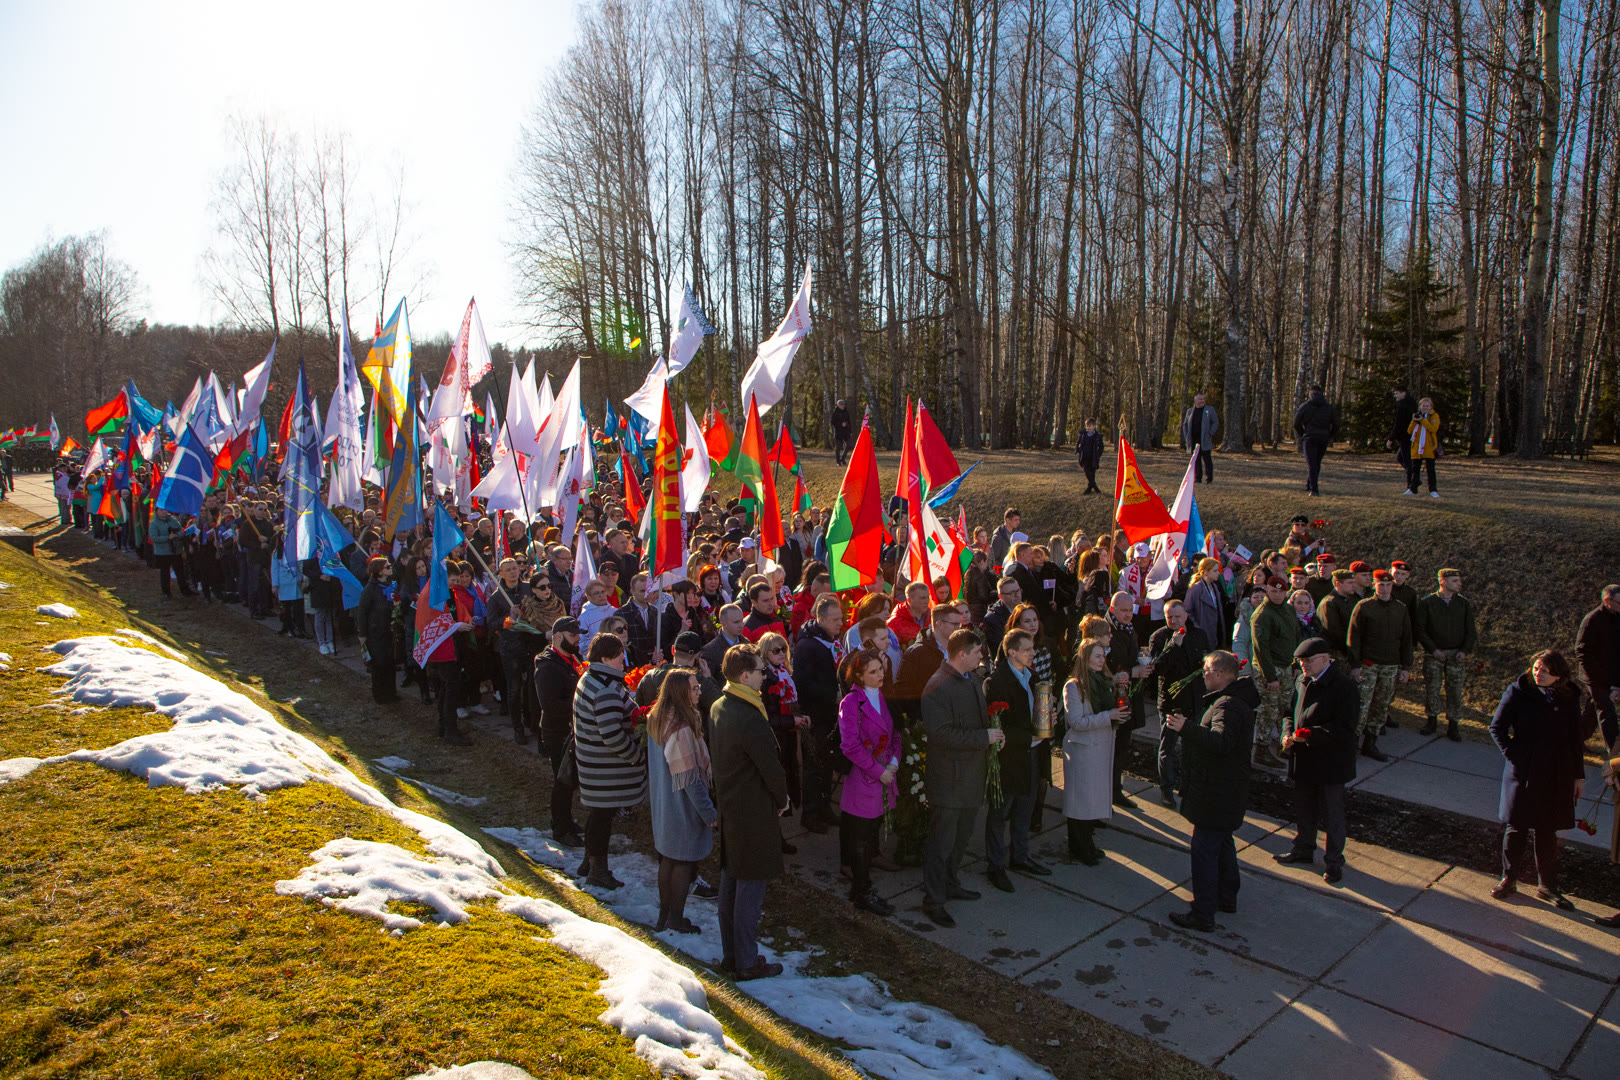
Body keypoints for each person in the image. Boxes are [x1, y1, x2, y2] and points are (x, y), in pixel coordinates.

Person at [1488, 649, 1597, 910]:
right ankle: (1509, 878)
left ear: (1558, 674)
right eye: (1536, 668)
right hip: (1523, 770)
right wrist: (1515, 756)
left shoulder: (1569, 696)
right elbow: (1497, 728)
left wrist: (1578, 776)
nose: (1539, 673)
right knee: (1517, 826)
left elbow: (1574, 739)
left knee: (1548, 830)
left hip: (1557, 772)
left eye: (1546, 670)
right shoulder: (1518, 692)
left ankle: (1546, 886)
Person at [711, 643, 790, 980]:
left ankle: (732, 955)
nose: (765, 675)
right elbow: (770, 767)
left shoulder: (720, 704)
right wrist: (782, 799)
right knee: (749, 890)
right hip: (753, 811)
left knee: (731, 882)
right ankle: (744, 961)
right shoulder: (749, 717)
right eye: (760, 670)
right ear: (745, 676)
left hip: (731, 805)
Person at [1163, 650, 1257, 931]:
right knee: (1224, 844)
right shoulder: (1236, 700)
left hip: (1215, 793)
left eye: (1206, 671)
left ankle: (1203, 913)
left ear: (1219, 674)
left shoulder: (1227, 706)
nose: (1203, 675)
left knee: (1204, 851)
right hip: (1226, 791)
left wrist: (1186, 728)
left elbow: (1221, 742)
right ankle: (1227, 898)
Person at [918, 628, 1002, 928]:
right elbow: (940, 734)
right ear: (962, 654)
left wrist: (992, 734)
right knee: (942, 843)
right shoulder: (937, 687)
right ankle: (933, 900)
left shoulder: (971, 679)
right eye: (978, 652)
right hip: (950, 780)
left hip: (970, 776)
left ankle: (950, 883)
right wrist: (984, 737)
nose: (982, 656)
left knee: (961, 838)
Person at [1275, 638, 1361, 883]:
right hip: (1304, 760)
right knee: (1304, 808)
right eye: (1301, 661)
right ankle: (1303, 849)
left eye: (1308, 661)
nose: (1303, 665)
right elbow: (1289, 714)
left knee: (1332, 815)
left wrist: (1311, 735)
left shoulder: (1344, 686)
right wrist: (1286, 734)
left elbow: (1346, 727)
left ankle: (1334, 862)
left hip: (1331, 763)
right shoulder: (1301, 681)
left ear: (1325, 659)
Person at [572, 633, 646, 890]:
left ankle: (589, 863)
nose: (623, 660)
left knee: (599, 815)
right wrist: (637, 756)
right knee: (601, 817)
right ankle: (597, 871)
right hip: (603, 768)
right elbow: (613, 735)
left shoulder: (593, 678)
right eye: (618, 655)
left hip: (594, 764)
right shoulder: (604, 689)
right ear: (604, 658)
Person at [646, 667, 718, 934]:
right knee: (683, 862)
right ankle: (676, 918)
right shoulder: (681, 728)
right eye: (694, 688)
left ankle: (664, 915)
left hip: (664, 802)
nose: (699, 692)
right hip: (681, 807)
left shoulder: (657, 716)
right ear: (680, 693)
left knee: (668, 859)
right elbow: (690, 779)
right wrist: (709, 813)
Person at [982, 629, 1049, 892]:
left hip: (1033, 753)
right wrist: (1029, 734)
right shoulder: (996, 682)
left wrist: (1046, 719)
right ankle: (995, 866)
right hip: (1010, 757)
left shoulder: (1033, 676)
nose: (1033, 654)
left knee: (1025, 807)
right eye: (1027, 650)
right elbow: (997, 724)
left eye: (1032, 649)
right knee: (1000, 812)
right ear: (1011, 652)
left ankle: (1020, 856)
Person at [837, 648, 899, 916]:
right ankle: (861, 890)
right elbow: (849, 746)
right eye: (873, 672)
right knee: (861, 838)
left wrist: (895, 762)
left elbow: (893, 732)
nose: (880, 675)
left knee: (871, 832)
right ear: (859, 675)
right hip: (865, 780)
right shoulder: (852, 702)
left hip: (883, 775)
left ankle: (862, 886)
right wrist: (879, 770)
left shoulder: (880, 696)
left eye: (881, 669)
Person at [1062, 639, 1126, 866]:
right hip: (1083, 750)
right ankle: (1078, 847)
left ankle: (1087, 843)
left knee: (1091, 801)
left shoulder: (1103, 681)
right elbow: (1076, 721)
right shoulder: (1074, 686)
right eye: (1097, 656)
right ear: (1085, 657)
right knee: (1080, 801)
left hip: (1099, 748)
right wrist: (1108, 716)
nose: (1102, 660)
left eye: (1103, 656)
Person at [1149, 600, 1211, 807]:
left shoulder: (1199, 634)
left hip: (1194, 700)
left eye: (1177, 616)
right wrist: (1173, 647)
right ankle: (1166, 789)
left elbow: (1207, 659)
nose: (1174, 621)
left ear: (1186, 615)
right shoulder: (1159, 637)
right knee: (1168, 747)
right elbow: (1157, 669)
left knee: (1191, 747)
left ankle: (1187, 786)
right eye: (1170, 617)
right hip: (1171, 702)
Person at [1347, 569, 1413, 762]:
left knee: (1381, 705)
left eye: (1388, 585)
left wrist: (1406, 667)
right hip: (1368, 664)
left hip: (1391, 665)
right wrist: (1356, 664)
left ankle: (1370, 743)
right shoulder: (1364, 606)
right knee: (1362, 704)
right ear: (1374, 585)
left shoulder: (1400, 608)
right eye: (1381, 584)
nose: (1385, 588)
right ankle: (1352, 744)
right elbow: (1354, 637)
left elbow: (1407, 639)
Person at [794, 595, 846, 835]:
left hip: (829, 714)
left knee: (827, 763)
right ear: (821, 619)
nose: (840, 623)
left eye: (841, 618)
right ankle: (811, 813)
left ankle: (824, 807)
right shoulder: (807, 646)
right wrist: (831, 694)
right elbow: (803, 684)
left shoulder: (829, 640)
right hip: (814, 715)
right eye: (835, 619)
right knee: (814, 766)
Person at [535, 616, 585, 847]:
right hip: (557, 732)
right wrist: (581, 703)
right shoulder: (548, 667)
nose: (577, 640)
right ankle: (561, 828)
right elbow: (550, 704)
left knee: (570, 780)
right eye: (572, 635)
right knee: (562, 780)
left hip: (571, 729)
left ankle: (566, 820)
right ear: (558, 637)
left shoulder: (571, 659)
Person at [1414, 568, 1478, 741]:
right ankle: (1432, 720)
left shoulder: (1463, 603)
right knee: (1432, 688)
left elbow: (1470, 631)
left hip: (1456, 654)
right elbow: (1420, 630)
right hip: (1434, 654)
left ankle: (1453, 725)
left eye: (1459, 580)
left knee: (1455, 691)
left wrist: (1464, 650)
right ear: (1442, 581)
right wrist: (1433, 649)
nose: (1460, 584)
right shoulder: (1427, 603)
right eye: (1455, 581)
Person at [1250, 576, 1302, 771]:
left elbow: (1296, 635)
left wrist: (1296, 663)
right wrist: (1270, 677)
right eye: (1273, 591)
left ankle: (1285, 745)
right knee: (1268, 711)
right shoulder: (1262, 614)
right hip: (1269, 669)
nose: (1277, 594)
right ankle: (1261, 752)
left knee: (1285, 707)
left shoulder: (1288, 609)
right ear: (1267, 591)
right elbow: (1260, 649)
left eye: (1281, 591)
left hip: (1287, 666)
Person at [1105, 590, 1151, 807]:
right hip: (1114, 696)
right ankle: (1111, 790)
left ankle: (1115, 789)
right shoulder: (1107, 630)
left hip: (1128, 694)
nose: (1128, 614)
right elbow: (1106, 666)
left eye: (1130, 610)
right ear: (1112, 609)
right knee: (1115, 746)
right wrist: (1133, 672)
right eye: (1123, 610)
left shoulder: (1128, 627)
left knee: (1123, 744)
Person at [1575, 584, 1620, 750]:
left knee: (1593, 709)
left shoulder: (1617, 617)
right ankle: (1616, 752)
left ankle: (1575, 739)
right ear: (1607, 601)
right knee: (1606, 711)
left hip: (1610, 674)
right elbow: (1582, 651)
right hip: (1594, 676)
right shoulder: (1592, 620)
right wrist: (1596, 677)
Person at [356, 557, 398, 704]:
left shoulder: (389, 586)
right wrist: (362, 634)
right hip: (375, 633)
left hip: (388, 631)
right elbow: (362, 612)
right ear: (379, 571)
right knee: (379, 665)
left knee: (390, 664)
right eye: (387, 567)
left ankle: (391, 693)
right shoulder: (369, 590)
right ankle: (380, 695)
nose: (390, 568)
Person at [1292, 383, 1339, 497]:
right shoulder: (1328, 407)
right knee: (1317, 462)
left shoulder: (1305, 406)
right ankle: (1310, 485)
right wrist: (1330, 435)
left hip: (1309, 437)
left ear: (1310, 393)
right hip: (1323, 437)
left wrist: (1303, 433)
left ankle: (1314, 489)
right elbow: (1336, 424)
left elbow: (1296, 423)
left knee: (1311, 463)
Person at [1184, 558, 1227, 650]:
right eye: (1215, 571)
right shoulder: (1196, 589)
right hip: (1203, 631)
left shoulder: (1214, 587)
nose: (1218, 573)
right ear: (1206, 572)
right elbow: (1187, 611)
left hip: (1215, 631)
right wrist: (1197, 627)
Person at [1405, 397, 1441, 498]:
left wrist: (1423, 421)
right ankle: (1412, 488)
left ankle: (1433, 490)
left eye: (1427, 406)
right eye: (1423, 406)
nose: (1425, 407)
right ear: (1420, 406)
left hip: (1429, 446)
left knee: (1430, 469)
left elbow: (1433, 429)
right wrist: (1415, 421)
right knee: (1415, 469)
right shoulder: (1417, 416)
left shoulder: (1434, 416)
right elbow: (1409, 431)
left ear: (1431, 407)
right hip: (1416, 446)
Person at [1180, 392, 1219, 483]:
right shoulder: (1190, 411)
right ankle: (1198, 478)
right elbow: (1185, 424)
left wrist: (1210, 433)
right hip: (1193, 439)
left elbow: (1215, 422)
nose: (1202, 401)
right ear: (1195, 400)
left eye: (1203, 399)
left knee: (1207, 459)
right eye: (1200, 399)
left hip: (1204, 439)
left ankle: (1209, 478)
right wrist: (1186, 436)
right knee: (1196, 459)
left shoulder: (1210, 410)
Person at [886, 580, 934, 649]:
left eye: (927, 597)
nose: (927, 601)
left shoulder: (933, 617)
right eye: (922, 598)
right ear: (909, 600)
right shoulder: (894, 624)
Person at [1387, 387, 1419, 487]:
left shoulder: (1402, 405)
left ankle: (1412, 482)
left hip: (1405, 436)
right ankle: (1414, 479)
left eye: (1397, 394)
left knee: (1406, 460)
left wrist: (1391, 438)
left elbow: (1398, 423)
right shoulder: (1412, 403)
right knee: (1401, 457)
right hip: (1411, 435)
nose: (1395, 396)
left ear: (1403, 393)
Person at [1076, 418, 1105, 493]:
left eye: (1090, 426)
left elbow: (1101, 447)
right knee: (1087, 471)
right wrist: (1078, 451)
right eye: (1087, 426)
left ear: (1094, 426)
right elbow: (1078, 443)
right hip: (1085, 456)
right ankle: (1095, 487)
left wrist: (1098, 454)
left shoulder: (1098, 436)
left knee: (1092, 473)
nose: (1089, 428)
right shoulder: (1083, 434)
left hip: (1093, 457)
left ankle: (1089, 488)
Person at [831, 399, 853, 465]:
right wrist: (840, 424)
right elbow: (833, 422)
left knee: (848, 445)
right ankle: (838, 461)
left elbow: (849, 422)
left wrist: (850, 430)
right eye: (841, 404)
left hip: (846, 431)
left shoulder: (846, 412)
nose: (842, 406)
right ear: (838, 405)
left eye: (843, 404)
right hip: (838, 431)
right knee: (838, 448)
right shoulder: (835, 412)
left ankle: (842, 459)